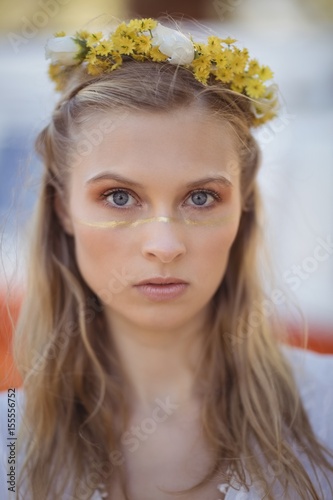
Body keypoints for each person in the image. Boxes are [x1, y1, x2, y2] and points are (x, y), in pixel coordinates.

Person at [0, 17, 333, 500]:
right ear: (62, 208)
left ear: (243, 208)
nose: (164, 244)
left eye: (200, 198)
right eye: (118, 197)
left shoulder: (325, 407)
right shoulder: (11, 443)